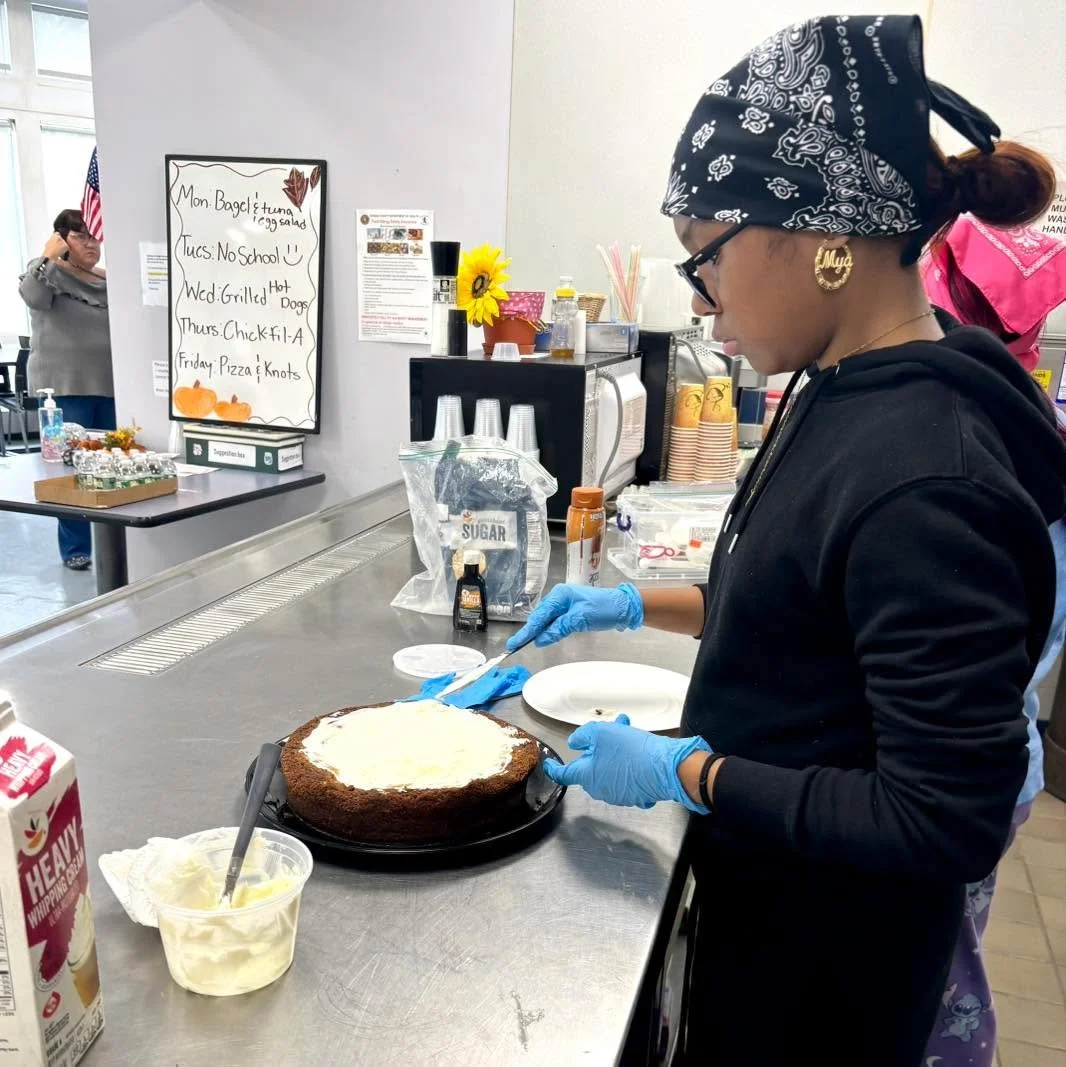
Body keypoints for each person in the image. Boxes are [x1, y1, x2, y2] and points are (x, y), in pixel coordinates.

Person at [507, 15, 1065, 1066]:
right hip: (767, 906)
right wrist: (635, 604)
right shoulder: (837, 383)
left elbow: (942, 816)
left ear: (818, 238)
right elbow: (809, 605)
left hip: (828, 975)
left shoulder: (928, 474)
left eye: (702, 260)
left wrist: (697, 774)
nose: (703, 302)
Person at [920, 217, 1066, 1064]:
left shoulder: (970, 436)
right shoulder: (1027, 410)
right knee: (954, 954)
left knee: (942, 981)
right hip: (1009, 756)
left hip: (974, 764)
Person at [19, 208, 114, 571]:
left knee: (109, 465)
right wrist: (48, 253)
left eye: (94, 237)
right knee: (68, 469)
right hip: (63, 391)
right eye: (81, 237)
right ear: (62, 240)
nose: (91, 243)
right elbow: (32, 296)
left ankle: (114, 540)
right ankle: (76, 548)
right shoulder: (45, 274)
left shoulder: (108, 279)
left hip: (109, 386)